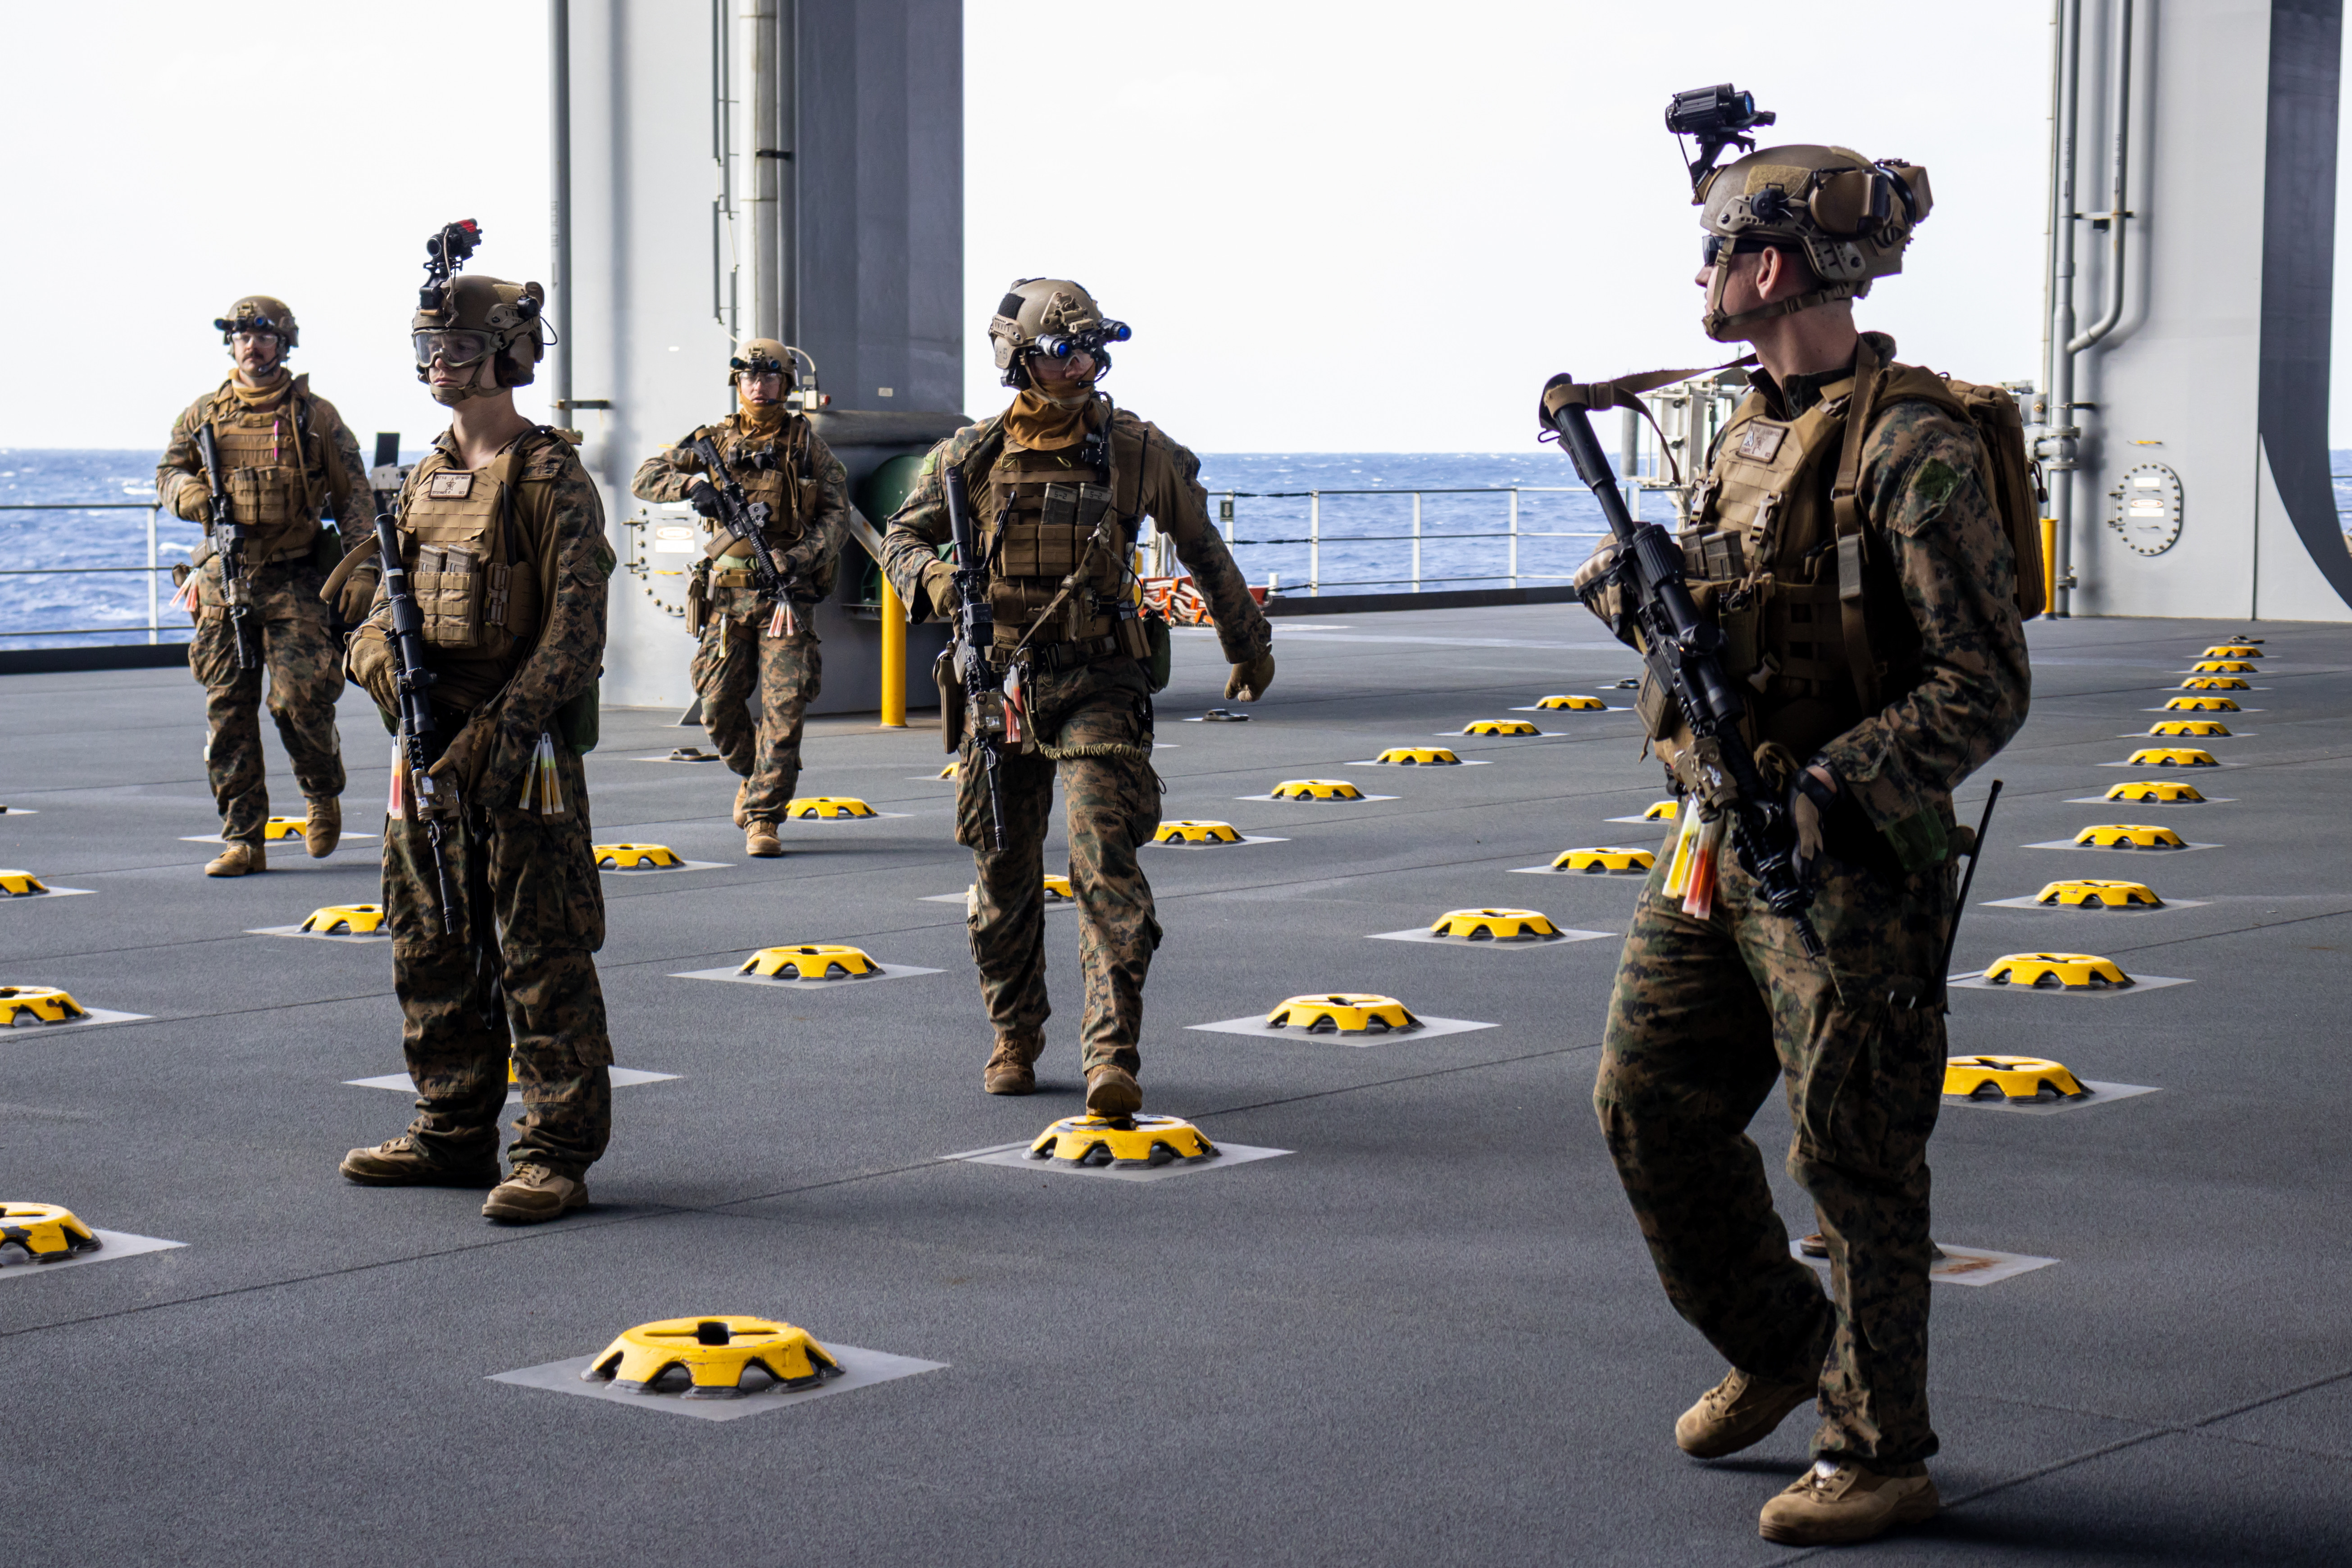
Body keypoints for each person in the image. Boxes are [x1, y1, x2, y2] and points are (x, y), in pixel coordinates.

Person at [1571, 143, 2030, 1546]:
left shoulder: (1917, 446)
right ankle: (1780, 1340)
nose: (1701, 277)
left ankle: (1880, 1446)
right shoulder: (1742, 429)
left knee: (1856, 1159)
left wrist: (1836, 783)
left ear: (1768, 267)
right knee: (1644, 1100)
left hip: (1851, 864)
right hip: (1716, 840)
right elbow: (1729, 598)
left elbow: (1982, 682)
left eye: (1716, 251)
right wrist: (1638, 597)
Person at [882, 279, 1274, 1117]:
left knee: (1105, 864)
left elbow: (1203, 548)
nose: (1085, 364)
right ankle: (1015, 1034)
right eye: (1066, 350)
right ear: (1020, 361)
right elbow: (901, 537)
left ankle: (1111, 1055)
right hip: (1001, 689)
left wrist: (1249, 643)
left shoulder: (1137, 450)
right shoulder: (970, 456)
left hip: (1100, 677)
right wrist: (940, 580)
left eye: (1096, 348)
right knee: (1002, 876)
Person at [335, 250, 618, 1225]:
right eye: (428, 346)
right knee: (432, 942)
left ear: (508, 356)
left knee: (542, 950)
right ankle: (453, 1130)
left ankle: (553, 1151)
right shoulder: (412, 478)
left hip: (521, 752)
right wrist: (384, 675)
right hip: (425, 743)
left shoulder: (551, 477)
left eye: (457, 345)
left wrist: (492, 739)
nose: (439, 362)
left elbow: (575, 638)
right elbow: (371, 607)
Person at [155, 296, 367, 876]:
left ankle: (321, 790)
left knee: (300, 700)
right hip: (228, 580)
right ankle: (243, 838)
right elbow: (169, 473)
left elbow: (354, 497)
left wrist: (365, 569)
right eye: (241, 336)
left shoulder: (314, 416)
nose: (252, 345)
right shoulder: (203, 416)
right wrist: (192, 495)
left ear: (284, 343)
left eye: (264, 336)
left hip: (296, 575)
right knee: (228, 710)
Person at [629, 340, 848, 856]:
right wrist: (692, 486)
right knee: (718, 706)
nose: (757, 385)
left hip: (784, 599)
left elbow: (836, 519)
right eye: (748, 376)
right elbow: (646, 476)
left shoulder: (808, 447)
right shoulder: (711, 440)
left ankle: (763, 817)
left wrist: (795, 559)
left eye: (768, 377)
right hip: (726, 603)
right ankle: (757, 775)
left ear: (785, 384)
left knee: (784, 706)